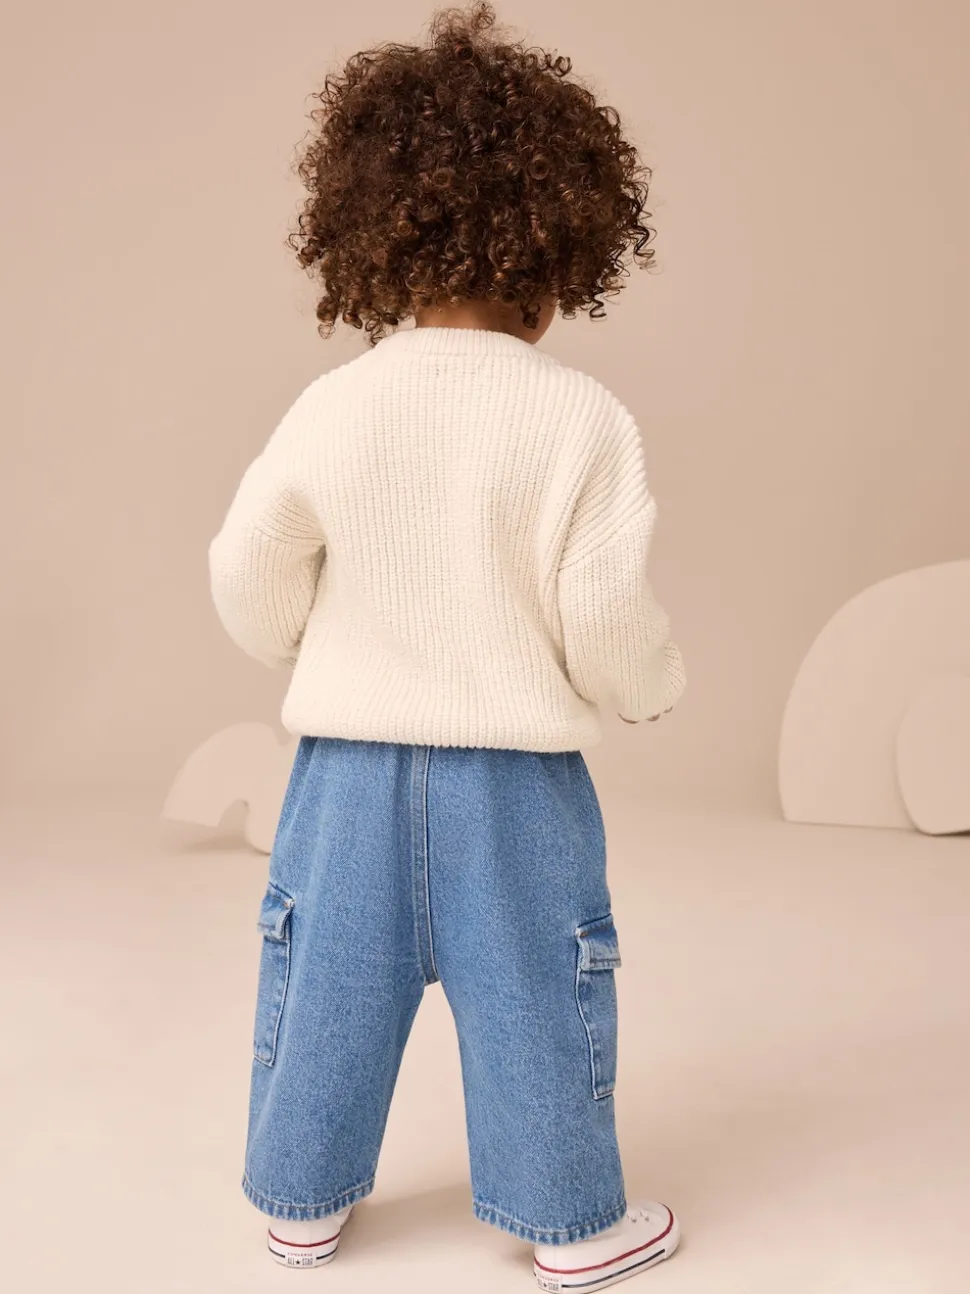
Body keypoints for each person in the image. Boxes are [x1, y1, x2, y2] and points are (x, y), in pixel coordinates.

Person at [208, 3, 686, 1287]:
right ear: (562, 252)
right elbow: (604, 616)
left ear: (374, 242)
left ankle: (300, 1203)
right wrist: (650, 686)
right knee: (534, 991)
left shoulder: (333, 405)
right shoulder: (580, 419)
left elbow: (247, 571)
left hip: (344, 775)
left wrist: (307, 645)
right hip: (514, 788)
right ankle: (570, 1221)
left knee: (325, 984)